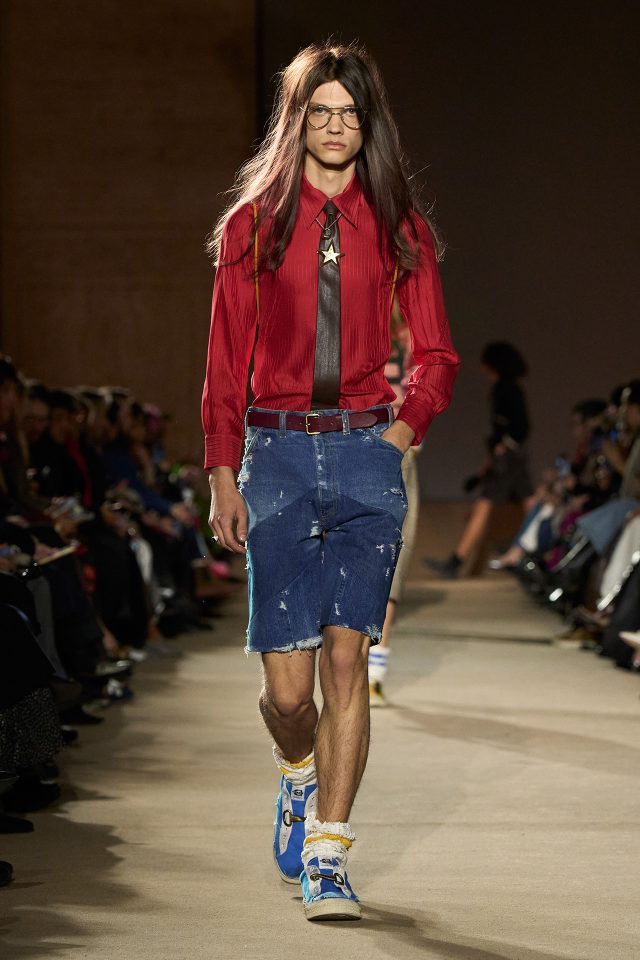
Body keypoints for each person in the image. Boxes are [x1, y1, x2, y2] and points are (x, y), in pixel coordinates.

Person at [202, 42, 459, 921]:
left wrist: (398, 434)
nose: (337, 126)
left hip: (362, 454)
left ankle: (329, 852)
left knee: (348, 662)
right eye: (321, 112)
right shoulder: (253, 227)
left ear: (368, 123)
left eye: (350, 113)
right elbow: (223, 364)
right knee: (288, 696)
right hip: (273, 457)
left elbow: (437, 354)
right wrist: (221, 472)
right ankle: (296, 772)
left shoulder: (400, 227)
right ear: (298, 120)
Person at [425, 341, 531, 578]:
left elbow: (519, 427)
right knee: (530, 502)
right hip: (512, 457)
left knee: (486, 504)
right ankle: (542, 553)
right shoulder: (511, 388)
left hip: (508, 459)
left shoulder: (505, 389)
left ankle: (456, 562)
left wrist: (503, 446)